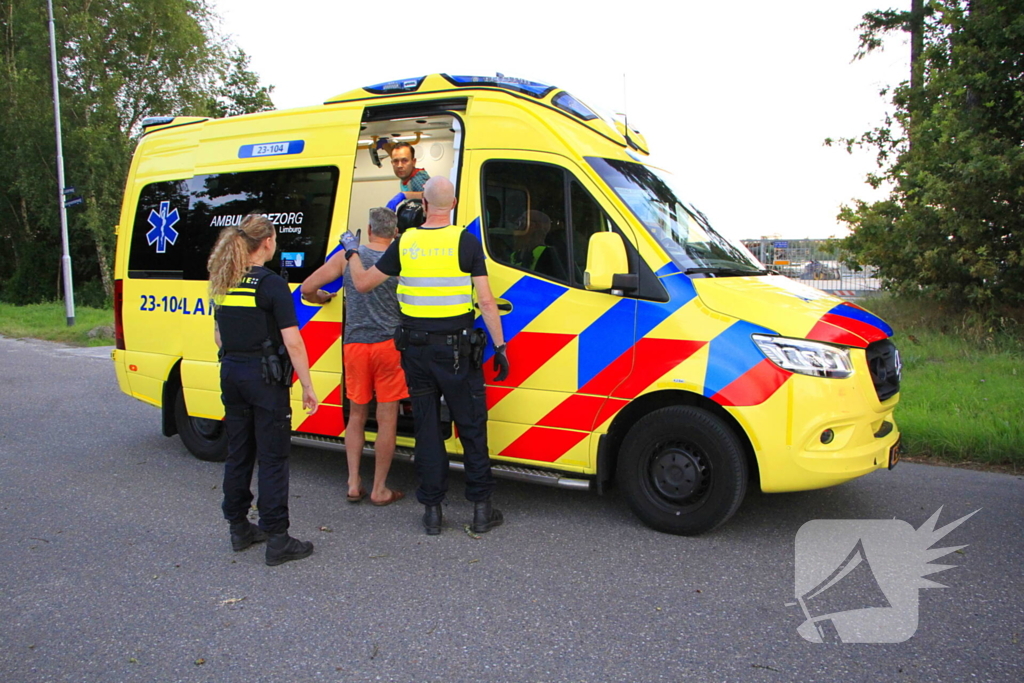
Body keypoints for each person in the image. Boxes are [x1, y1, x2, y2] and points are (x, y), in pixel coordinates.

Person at [347, 176, 511, 535]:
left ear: (423, 204)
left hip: (416, 354)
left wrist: (351, 252)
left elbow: (362, 284)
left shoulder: (406, 243)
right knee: (470, 428)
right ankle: (481, 510)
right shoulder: (466, 242)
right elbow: (486, 302)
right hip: (457, 352)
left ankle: (432, 513)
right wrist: (499, 346)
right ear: (452, 205)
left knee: (426, 431)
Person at [208, 214, 319, 567]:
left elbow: (219, 336)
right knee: (272, 458)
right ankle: (277, 539)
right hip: (265, 380)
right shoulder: (271, 285)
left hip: (232, 374)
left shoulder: (225, 279)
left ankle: (239, 528)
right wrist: (307, 385)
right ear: (268, 242)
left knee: (239, 452)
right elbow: (293, 342)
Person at [300, 208, 407, 507]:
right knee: (387, 419)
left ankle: (352, 483)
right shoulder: (400, 259)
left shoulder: (349, 257)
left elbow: (307, 288)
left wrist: (322, 298)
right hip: (389, 347)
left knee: (357, 415)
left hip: (355, 346)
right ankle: (380, 488)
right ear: (394, 233)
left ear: (369, 231)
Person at [509, 210, 567, 281]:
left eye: (521, 223)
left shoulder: (548, 255)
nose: (516, 230)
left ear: (532, 226)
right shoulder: (515, 255)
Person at [385, 142, 430, 211]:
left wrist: (404, 195)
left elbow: (432, 197)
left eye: (404, 161)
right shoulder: (405, 176)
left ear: (413, 162)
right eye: (396, 161)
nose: (399, 165)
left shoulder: (417, 179)